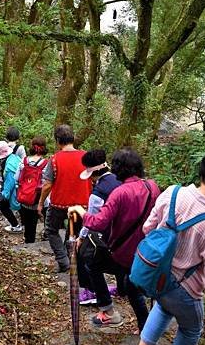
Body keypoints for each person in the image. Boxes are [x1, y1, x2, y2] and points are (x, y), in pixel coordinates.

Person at [125, 150, 205, 345]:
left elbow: (148, 228)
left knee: (163, 307)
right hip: (185, 288)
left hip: (156, 276)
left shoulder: (172, 193)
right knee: (191, 328)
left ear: (201, 170)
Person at [69, 147, 160, 329]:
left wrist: (80, 211)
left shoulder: (120, 193)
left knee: (93, 264)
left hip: (122, 252)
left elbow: (97, 223)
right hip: (144, 250)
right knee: (132, 288)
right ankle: (147, 330)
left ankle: (109, 312)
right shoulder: (152, 187)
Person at [38, 124, 90, 273]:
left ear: (58, 141)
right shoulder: (85, 157)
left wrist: (41, 203)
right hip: (82, 204)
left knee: (51, 230)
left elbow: (47, 185)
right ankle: (71, 258)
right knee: (75, 231)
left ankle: (63, 259)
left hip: (59, 204)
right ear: (72, 139)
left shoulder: (54, 159)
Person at [77, 149, 122, 306]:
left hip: (106, 232)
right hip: (124, 231)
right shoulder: (120, 180)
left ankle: (92, 291)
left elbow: (91, 219)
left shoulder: (98, 193)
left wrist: (81, 237)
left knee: (86, 257)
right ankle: (122, 288)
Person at [15, 137, 48, 243]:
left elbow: (16, 178)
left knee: (28, 223)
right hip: (39, 198)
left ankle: (28, 242)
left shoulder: (24, 161)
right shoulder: (46, 164)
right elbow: (48, 182)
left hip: (24, 197)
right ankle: (44, 236)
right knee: (39, 221)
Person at [0, 141, 22, 233]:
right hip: (21, 187)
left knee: (3, 205)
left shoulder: (9, 166)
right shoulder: (14, 157)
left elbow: (10, 181)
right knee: (22, 207)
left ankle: (16, 226)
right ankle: (23, 224)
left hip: (14, 188)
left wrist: (5, 194)